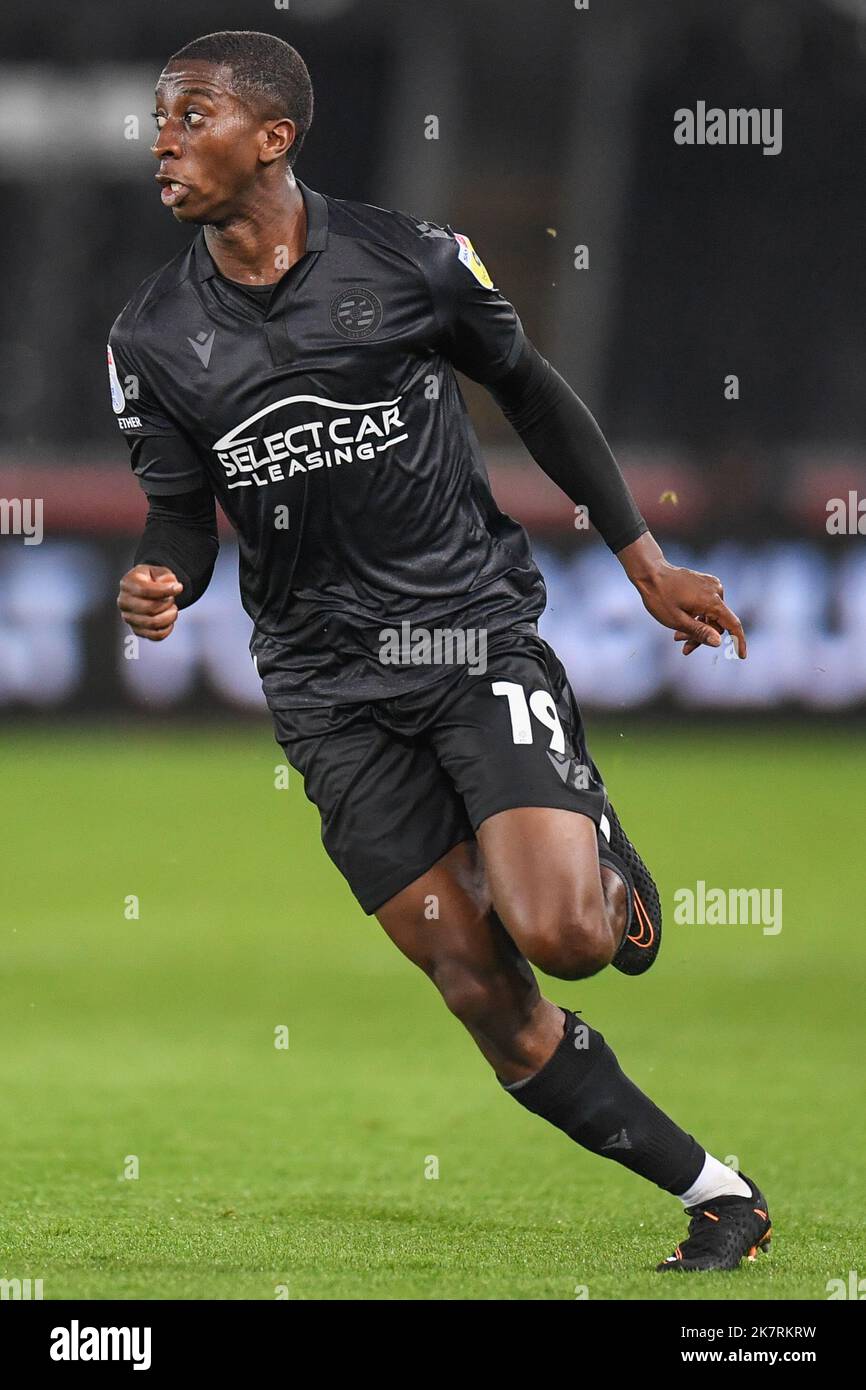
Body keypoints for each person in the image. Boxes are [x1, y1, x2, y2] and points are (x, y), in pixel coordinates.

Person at [109, 29, 771, 1272]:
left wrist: (645, 564)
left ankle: (595, 857)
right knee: (485, 992)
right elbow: (178, 513)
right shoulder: (150, 338)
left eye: (189, 115)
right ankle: (719, 1194)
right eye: (158, 117)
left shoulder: (406, 262)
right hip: (323, 693)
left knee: (570, 935)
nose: (162, 139)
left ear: (271, 137)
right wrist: (162, 582)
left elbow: (530, 391)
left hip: (468, 636)